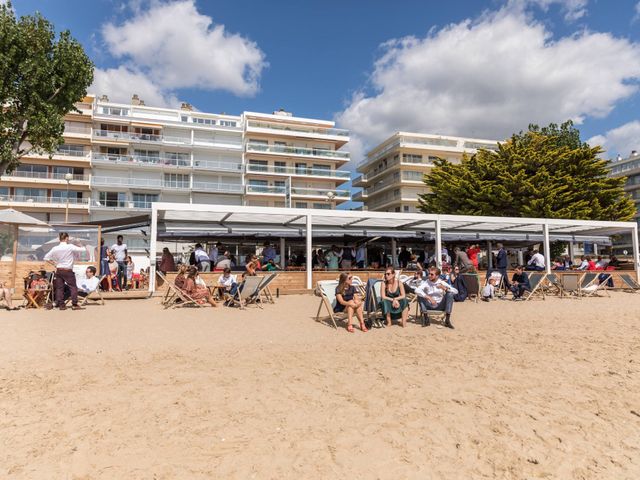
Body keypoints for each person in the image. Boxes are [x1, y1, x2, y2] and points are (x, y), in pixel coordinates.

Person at [44, 232, 86, 310]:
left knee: (59, 288)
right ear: (66, 238)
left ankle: (61, 305)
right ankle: (74, 304)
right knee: (73, 287)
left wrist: (54, 263)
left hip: (59, 269)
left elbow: (46, 257)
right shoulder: (69, 246)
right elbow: (83, 250)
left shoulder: (55, 248)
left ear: (60, 238)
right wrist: (79, 243)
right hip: (68, 270)